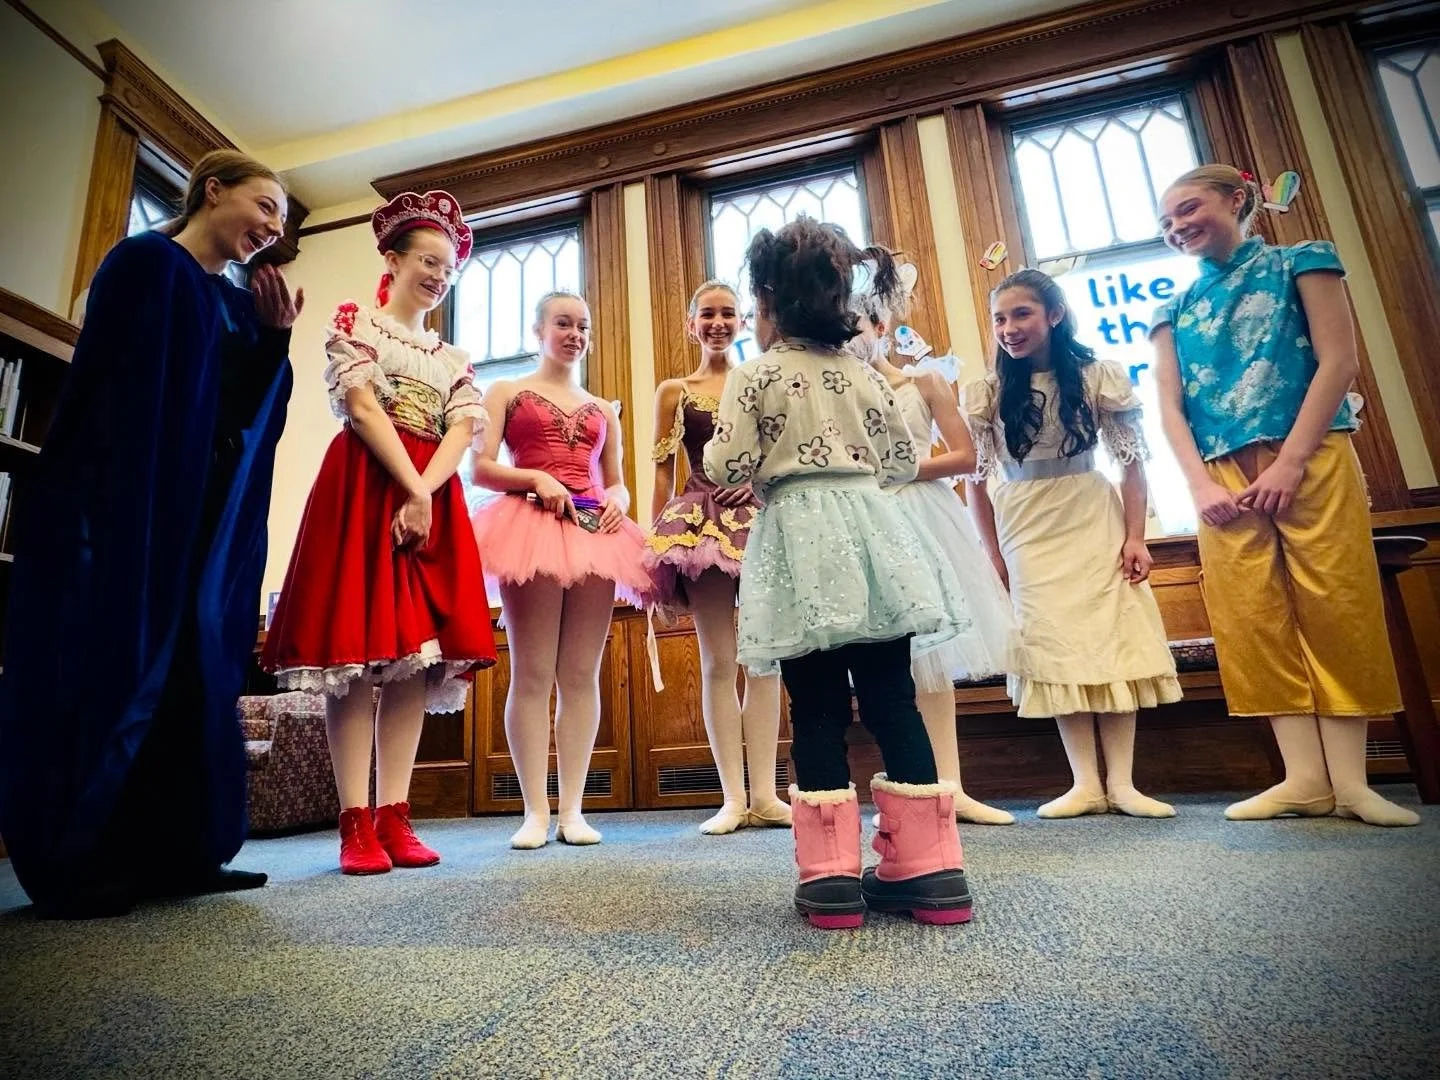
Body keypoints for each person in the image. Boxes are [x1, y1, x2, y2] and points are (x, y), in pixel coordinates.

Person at [0, 150, 299, 917]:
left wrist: (271, 340)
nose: (274, 228)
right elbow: (114, 398)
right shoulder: (142, 263)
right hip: (132, 515)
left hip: (198, 527)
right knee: (121, 673)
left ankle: (181, 853)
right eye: (265, 207)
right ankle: (90, 859)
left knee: (195, 683)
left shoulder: (233, 306)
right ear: (213, 190)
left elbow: (240, 417)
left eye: (284, 220)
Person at [704, 218, 974, 929]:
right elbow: (901, 464)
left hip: (797, 540)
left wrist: (767, 467)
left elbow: (724, 466)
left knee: (816, 708)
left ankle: (828, 880)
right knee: (893, 702)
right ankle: (933, 871)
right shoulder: (863, 372)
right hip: (873, 537)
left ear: (766, 301)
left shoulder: (754, 374)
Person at [1150, 163, 1418, 826]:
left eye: (1189, 208)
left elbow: (1339, 360)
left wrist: (1292, 461)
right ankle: (1303, 779)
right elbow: (1171, 407)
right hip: (1221, 477)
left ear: (1237, 199)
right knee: (1250, 616)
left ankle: (1352, 784)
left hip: (1311, 452)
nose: (1177, 226)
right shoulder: (1172, 309)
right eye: (1166, 221)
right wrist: (1200, 483)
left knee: (1337, 600)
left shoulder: (1303, 261)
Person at [263, 190, 498, 875]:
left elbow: (461, 428)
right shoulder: (356, 324)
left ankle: (395, 814)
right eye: (427, 260)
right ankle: (354, 822)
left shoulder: (453, 358)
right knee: (356, 660)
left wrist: (427, 493)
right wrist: (411, 486)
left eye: (447, 268)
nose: (437, 275)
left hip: (428, 497)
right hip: (367, 487)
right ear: (393, 259)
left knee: (411, 664)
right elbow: (362, 407)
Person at [965, 268, 1181, 820]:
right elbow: (976, 483)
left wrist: (1136, 536)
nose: (1009, 328)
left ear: (1054, 315)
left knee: (1111, 636)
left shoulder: (1096, 376)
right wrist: (991, 555)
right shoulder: (987, 392)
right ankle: (1085, 781)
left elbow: (1131, 464)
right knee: (1053, 642)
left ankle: (1125, 783)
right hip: (1023, 522)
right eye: (1000, 318)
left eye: (1022, 314)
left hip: (1090, 510)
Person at [471, 291, 651, 849]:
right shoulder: (505, 391)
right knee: (531, 672)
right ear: (539, 329)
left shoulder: (601, 408)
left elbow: (615, 476)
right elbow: (480, 467)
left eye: (584, 326)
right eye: (564, 323)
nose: (575, 334)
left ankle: (573, 808)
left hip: (596, 532)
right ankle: (534, 812)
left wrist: (619, 496)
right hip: (529, 527)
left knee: (580, 674)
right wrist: (536, 480)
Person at [849, 265, 1020, 825]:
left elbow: (968, 456)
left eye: (863, 325)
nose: (855, 336)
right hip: (865, 525)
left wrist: (900, 470)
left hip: (923, 516)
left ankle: (949, 786)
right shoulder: (838, 395)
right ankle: (907, 787)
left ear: (881, 325)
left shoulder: (923, 383)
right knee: (885, 663)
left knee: (934, 658)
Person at [646, 280, 789, 835]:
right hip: (699, 524)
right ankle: (732, 796)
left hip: (758, 521)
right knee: (715, 659)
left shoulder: (760, 381)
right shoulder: (674, 390)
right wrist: (654, 550)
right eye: (707, 314)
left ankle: (768, 793)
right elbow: (661, 469)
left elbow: (782, 452)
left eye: (729, 313)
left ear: (743, 322)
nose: (718, 323)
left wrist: (756, 485)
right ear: (691, 324)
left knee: (765, 659)